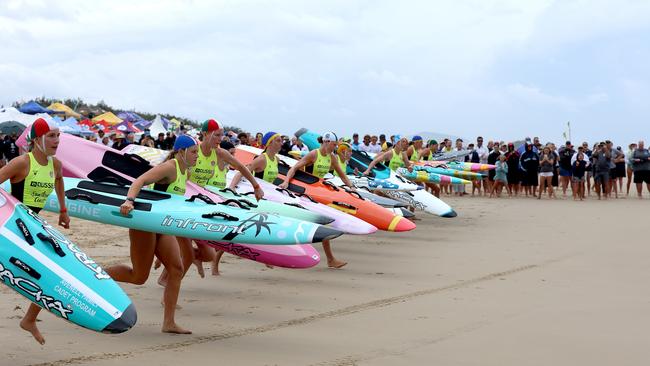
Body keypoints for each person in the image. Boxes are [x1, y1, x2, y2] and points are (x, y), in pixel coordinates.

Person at [107, 135, 199, 335]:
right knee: (139, 276)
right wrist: (129, 200)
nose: (196, 156)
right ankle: (96, 275)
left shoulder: (186, 171)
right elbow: (141, 180)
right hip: (145, 224)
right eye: (193, 152)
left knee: (176, 269)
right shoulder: (171, 167)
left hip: (162, 227)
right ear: (181, 151)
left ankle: (169, 323)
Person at [0, 118, 70, 344]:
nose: (56, 140)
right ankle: (29, 320)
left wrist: (63, 209)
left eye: (58, 135)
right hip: (12, 227)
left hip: (33, 226)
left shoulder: (55, 164)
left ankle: (29, 319)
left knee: (49, 270)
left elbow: (59, 181)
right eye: (51, 136)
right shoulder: (23, 162)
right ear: (37, 139)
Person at [278, 132, 355, 268]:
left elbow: (343, 175)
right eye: (333, 144)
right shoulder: (314, 154)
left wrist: (351, 187)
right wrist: (286, 182)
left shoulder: (332, 157)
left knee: (320, 224)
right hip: (303, 193)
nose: (335, 148)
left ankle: (330, 259)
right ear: (325, 142)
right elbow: (294, 168)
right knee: (304, 225)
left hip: (317, 194)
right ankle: (287, 255)